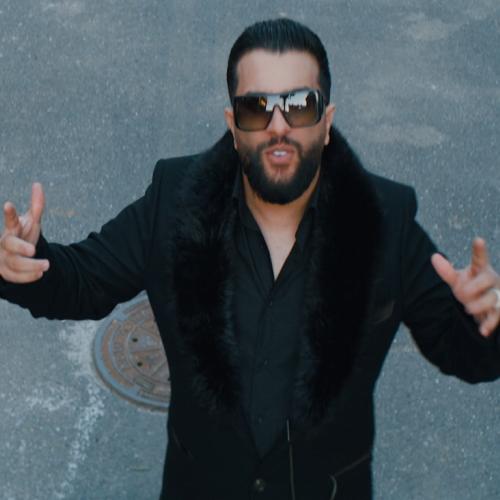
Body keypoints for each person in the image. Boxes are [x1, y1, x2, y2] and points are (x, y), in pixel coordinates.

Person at [0, 18, 499, 500]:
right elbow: (80, 282)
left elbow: (464, 352)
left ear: (326, 123)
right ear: (233, 126)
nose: (279, 126)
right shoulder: (174, 203)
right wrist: (25, 261)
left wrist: (488, 320)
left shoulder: (386, 220)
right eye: (257, 108)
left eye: (300, 105)